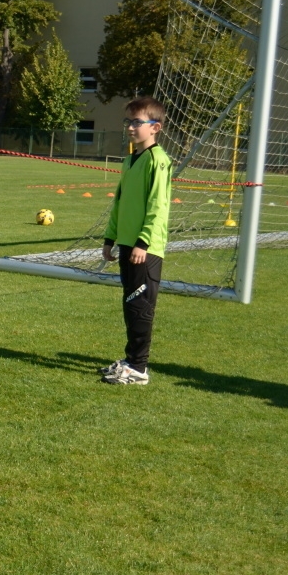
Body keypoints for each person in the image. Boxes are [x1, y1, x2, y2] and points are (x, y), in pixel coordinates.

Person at [100, 96, 173, 385]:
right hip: (127, 245)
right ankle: (130, 360)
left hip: (146, 248)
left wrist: (143, 242)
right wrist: (110, 238)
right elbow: (119, 203)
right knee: (130, 304)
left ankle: (139, 368)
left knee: (141, 305)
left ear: (155, 127)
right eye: (128, 121)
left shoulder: (159, 160)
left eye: (137, 122)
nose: (130, 127)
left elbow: (158, 206)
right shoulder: (130, 160)